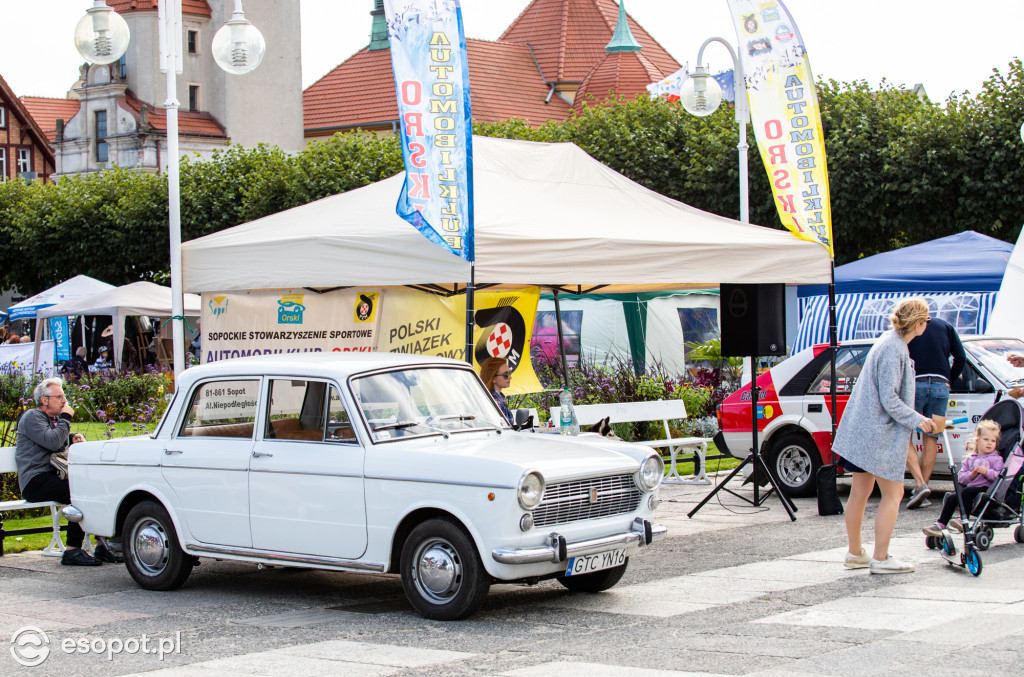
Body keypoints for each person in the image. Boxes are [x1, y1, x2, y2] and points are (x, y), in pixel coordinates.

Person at [833, 298, 936, 574]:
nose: (926, 325)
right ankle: (880, 558)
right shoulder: (894, 348)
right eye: (925, 321)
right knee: (894, 493)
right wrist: (920, 420)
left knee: (861, 491)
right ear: (918, 324)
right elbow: (890, 400)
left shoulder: (887, 341)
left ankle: (856, 554)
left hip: (862, 430)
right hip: (876, 434)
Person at [15, 377, 100, 566]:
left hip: (51, 477)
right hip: (35, 482)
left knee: (94, 488)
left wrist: (72, 437)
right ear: (44, 400)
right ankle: (72, 551)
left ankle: (102, 545)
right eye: (59, 396)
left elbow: (55, 439)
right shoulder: (32, 416)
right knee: (79, 492)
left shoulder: (51, 420)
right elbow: (52, 442)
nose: (64, 401)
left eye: (64, 397)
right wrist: (66, 419)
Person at [905, 315, 966, 509]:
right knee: (932, 436)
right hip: (941, 385)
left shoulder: (909, 324)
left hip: (914, 383)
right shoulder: (946, 326)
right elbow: (961, 357)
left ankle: (919, 484)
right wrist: (950, 380)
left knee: (903, 433)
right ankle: (923, 487)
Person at [923, 419, 1004, 537]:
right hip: (970, 487)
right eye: (986, 439)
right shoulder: (970, 459)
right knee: (952, 496)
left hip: (986, 489)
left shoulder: (996, 459)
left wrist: (987, 472)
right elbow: (961, 478)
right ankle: (941, 524)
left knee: (966, 492)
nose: (989, 443)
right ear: (977, 440)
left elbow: (998, 476)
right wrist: (971, 475)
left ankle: (963, 519)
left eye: (993, 441)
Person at [480, 357, 514, 425]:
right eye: (506, 375)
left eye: (509, 373)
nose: (510, 377)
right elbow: (505, 428)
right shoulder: (495, 400)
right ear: (493, 378)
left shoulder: (499, 397)